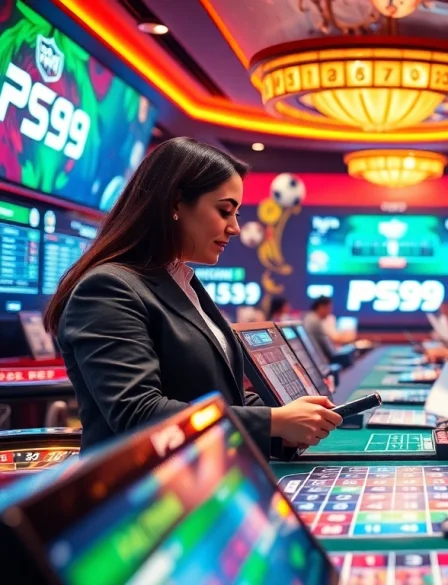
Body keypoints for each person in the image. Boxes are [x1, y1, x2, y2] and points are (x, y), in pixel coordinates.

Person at [44, 137, 341, 456]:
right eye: (225, 211)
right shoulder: (107, 288)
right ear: (175, 203)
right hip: (144, 492)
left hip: (208, 474)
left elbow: (220, 395)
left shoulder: (182, 280)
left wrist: (284, 427)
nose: (235, 228)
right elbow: (139, 415)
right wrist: (271, 421)